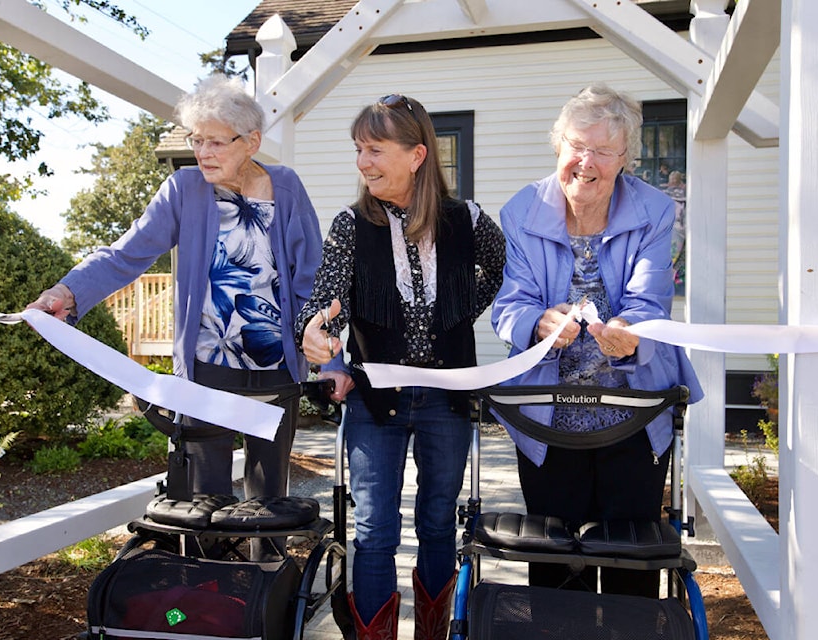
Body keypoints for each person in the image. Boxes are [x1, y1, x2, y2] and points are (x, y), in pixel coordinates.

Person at [27, 75, 326, 559]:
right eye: (196, 140)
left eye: (215, 141)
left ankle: (265, 602)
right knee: (204, 503)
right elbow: (125, 255)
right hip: (207, 367)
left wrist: (327, 353)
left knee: (269, 501)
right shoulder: (183, 189)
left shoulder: (286, 188)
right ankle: (210, 596)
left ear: (251, 142)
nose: (202, 152)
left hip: (277, 370)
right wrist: (68, 292)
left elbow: (311, 277)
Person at [298, 94, 505, 640]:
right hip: (374, 398)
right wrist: (317, 336)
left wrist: (456, 314)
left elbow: (505, 274)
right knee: (374, 529)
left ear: (417, 155)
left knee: (439, 522)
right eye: (358, 150)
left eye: (375, 149)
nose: (363, 162)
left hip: (447, 398)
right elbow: (324, 299)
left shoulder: (469, 220)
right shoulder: (350, 225)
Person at [491, 84, 703, 599]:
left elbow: (650, 302)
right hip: (548, 413)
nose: (586, 162)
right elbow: (509, 305)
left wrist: (628, 334)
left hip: (631, 411)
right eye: (576, 146)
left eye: (603, 151)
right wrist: (539, 322)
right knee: (557, 564)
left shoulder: (653, 209)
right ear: (558, 146)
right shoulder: (522, 210)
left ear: (625, 158)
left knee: (630, 561)